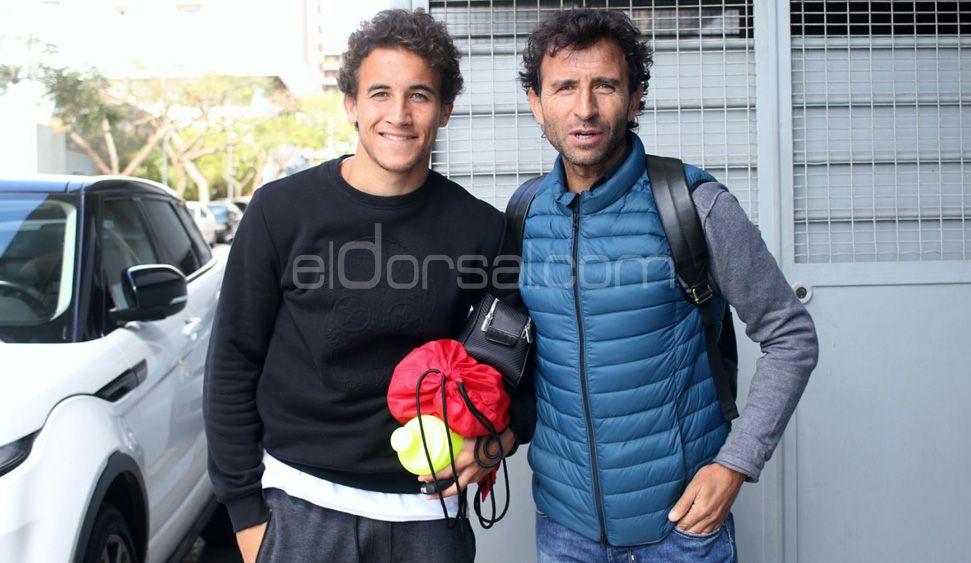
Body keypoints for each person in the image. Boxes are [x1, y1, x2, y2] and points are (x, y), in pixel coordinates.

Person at [203, 9, 533, 563]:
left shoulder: (482, 229)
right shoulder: (280, 212)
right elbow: (232, 364)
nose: (398, 115)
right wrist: (246, 518)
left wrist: (497, 441)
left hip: (429, 517)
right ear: (352, 104)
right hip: (299, 510)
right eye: (380, 93)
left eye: (420, 95)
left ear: (446, 109)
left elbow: (520, 372)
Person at [515, 9, 819, 562]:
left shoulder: (692, 204)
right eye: (564, 88)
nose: (584, 108)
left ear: (635, 98)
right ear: (537, 103)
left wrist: (735, 464)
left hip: (679, 533)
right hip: (564, 531)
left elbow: (789, 336)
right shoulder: (525, 213)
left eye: (605, 85)